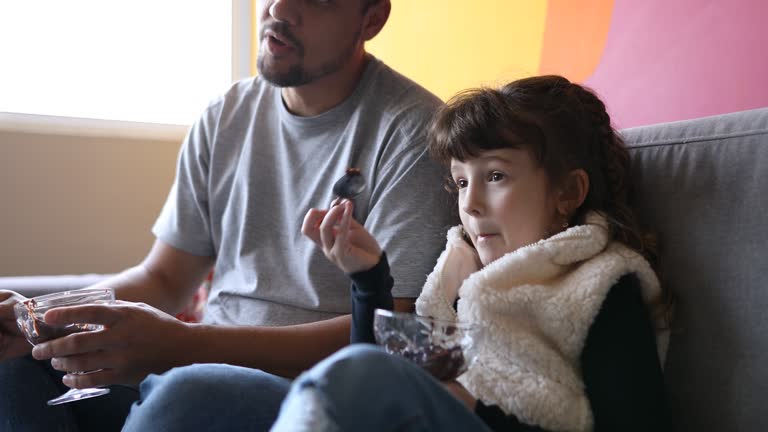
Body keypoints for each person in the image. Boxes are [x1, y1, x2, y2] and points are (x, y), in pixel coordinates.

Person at [0, 0, 456, 430]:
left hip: (304, 388)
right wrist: (40, 318)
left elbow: (390, 333)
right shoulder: (226, 116)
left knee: (189, 392)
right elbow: (163, 280)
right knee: (15, 363)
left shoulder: (415, 134)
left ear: (371, 19)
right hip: (188, 370)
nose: (280, 9)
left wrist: (183, 348)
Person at [268, 75, 673, 431]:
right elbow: (380, 382)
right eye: (461, 182)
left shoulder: (601, 285)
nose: (471, 204)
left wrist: (473, 408)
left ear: (567, 193)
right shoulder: (457, 274)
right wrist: (369, 279)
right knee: (216, 386)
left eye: (495, 176)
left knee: (357, 374)